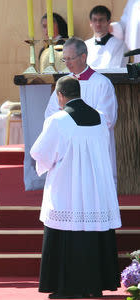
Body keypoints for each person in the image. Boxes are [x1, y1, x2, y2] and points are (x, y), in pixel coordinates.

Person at [31, 76, 121, 298]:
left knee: (67, 233)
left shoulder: (58, 120)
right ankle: (94, 285)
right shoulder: (100, 118)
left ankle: (68, 287)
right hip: (96, 189)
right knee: (93, 233)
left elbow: (40, 153)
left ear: (60, 96)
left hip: (68, 186)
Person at [44, 37, 117, 185]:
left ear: (83, 57)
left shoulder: (102, 83)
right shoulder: (63, 84)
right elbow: (50, 114)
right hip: (68, 149)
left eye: (70, 58)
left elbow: (108, 119)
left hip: (94, 149)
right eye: (64, 59)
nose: (67, 63)